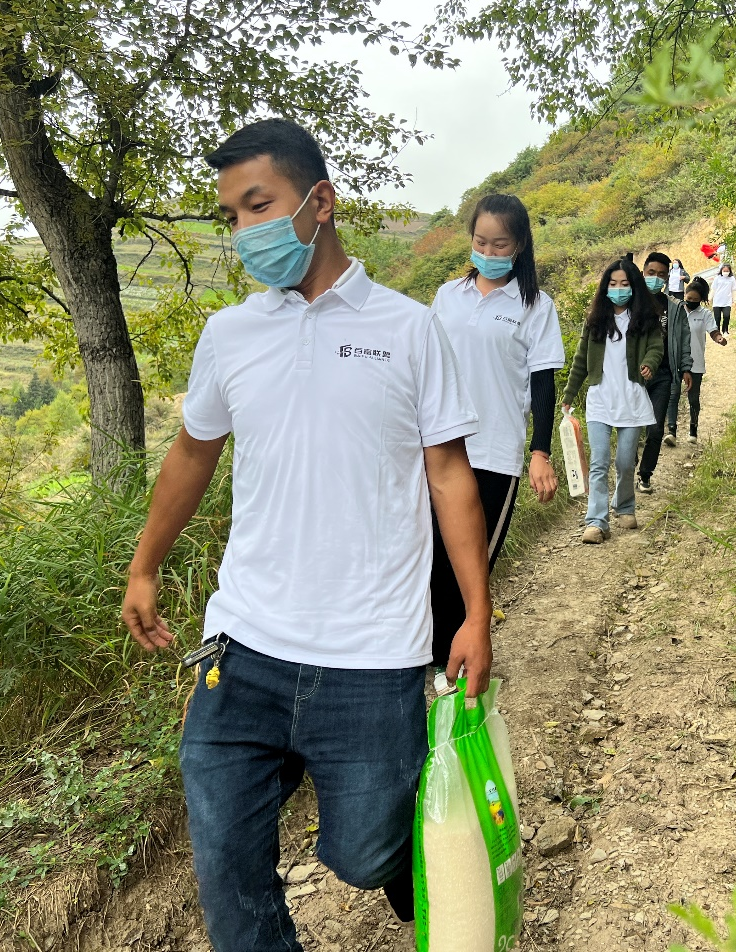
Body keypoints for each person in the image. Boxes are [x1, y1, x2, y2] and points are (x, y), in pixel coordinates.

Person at [119, 119, 492, 951]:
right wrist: (144, 567)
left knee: (367, 854)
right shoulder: (230, 336)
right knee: (229, 882)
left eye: (260, 206)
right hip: (243, 647)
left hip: (373, 655)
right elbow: (190, 454)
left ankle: (393, 859)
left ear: (319, 203)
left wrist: (475, 613)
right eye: (231, 216)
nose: (246, 232)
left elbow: (448, 474)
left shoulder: (407, 330)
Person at [427, 194, 564, 666]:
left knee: (470, 568)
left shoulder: (535, 306)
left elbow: (542, 383)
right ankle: (425, 661)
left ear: (520, 245)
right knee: (426, 558)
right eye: (480, 240)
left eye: (499, 243)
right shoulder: (448, 297)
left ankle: (453, 664)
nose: (488, 250)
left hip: (494, 452)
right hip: (438, 448)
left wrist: (540, 451)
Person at [562, 258, 664, 543]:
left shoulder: (645, 319)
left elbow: (656, 347)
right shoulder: (595, 320)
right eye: (613, 283)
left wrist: (649, 363)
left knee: (624, 461)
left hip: (631, 400)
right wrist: (570, 394)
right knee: (599, 461)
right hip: (600, 401)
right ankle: (596, 521)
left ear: (634, 287)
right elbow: (581, 360)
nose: (618, 289)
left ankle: (625, 506)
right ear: (605, 286)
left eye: (625, 284)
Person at [636, 251, 692, 494]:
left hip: (663, 374)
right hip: (633, 375)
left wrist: (686, 367)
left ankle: (645, 474)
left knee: (657, 427)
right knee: (631, 427)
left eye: (661, 275)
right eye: (651, 273)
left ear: (668, 277)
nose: (656, 278)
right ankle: (627, 469)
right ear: (642, 273)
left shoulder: (674, 308)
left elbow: (684, 338)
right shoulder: (631, 302)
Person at [664, 277, 726, 445]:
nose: (690, 302)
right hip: (676, 360)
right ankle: (671, 431)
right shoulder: (677, 311)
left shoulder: (705, 314)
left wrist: (719, 338)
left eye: (694, 300)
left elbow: (713, 331)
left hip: (695, 361)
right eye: (688, 298)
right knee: (673, 394)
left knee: (693, 398)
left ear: (701, 300)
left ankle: (693, 429)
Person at [711, 263, 736, 336]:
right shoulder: (717, 278)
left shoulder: (732, 279)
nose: (725, 272)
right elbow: (713, 289)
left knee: (726, 316)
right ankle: (717, 332)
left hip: (727, 301)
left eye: (727, 271)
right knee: (717, 318)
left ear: (729, 271)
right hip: (717, 301)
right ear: (721, 270)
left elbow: (733, 290)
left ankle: (725, 330)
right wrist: (710, 298)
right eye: (724, 270)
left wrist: (735, 300)